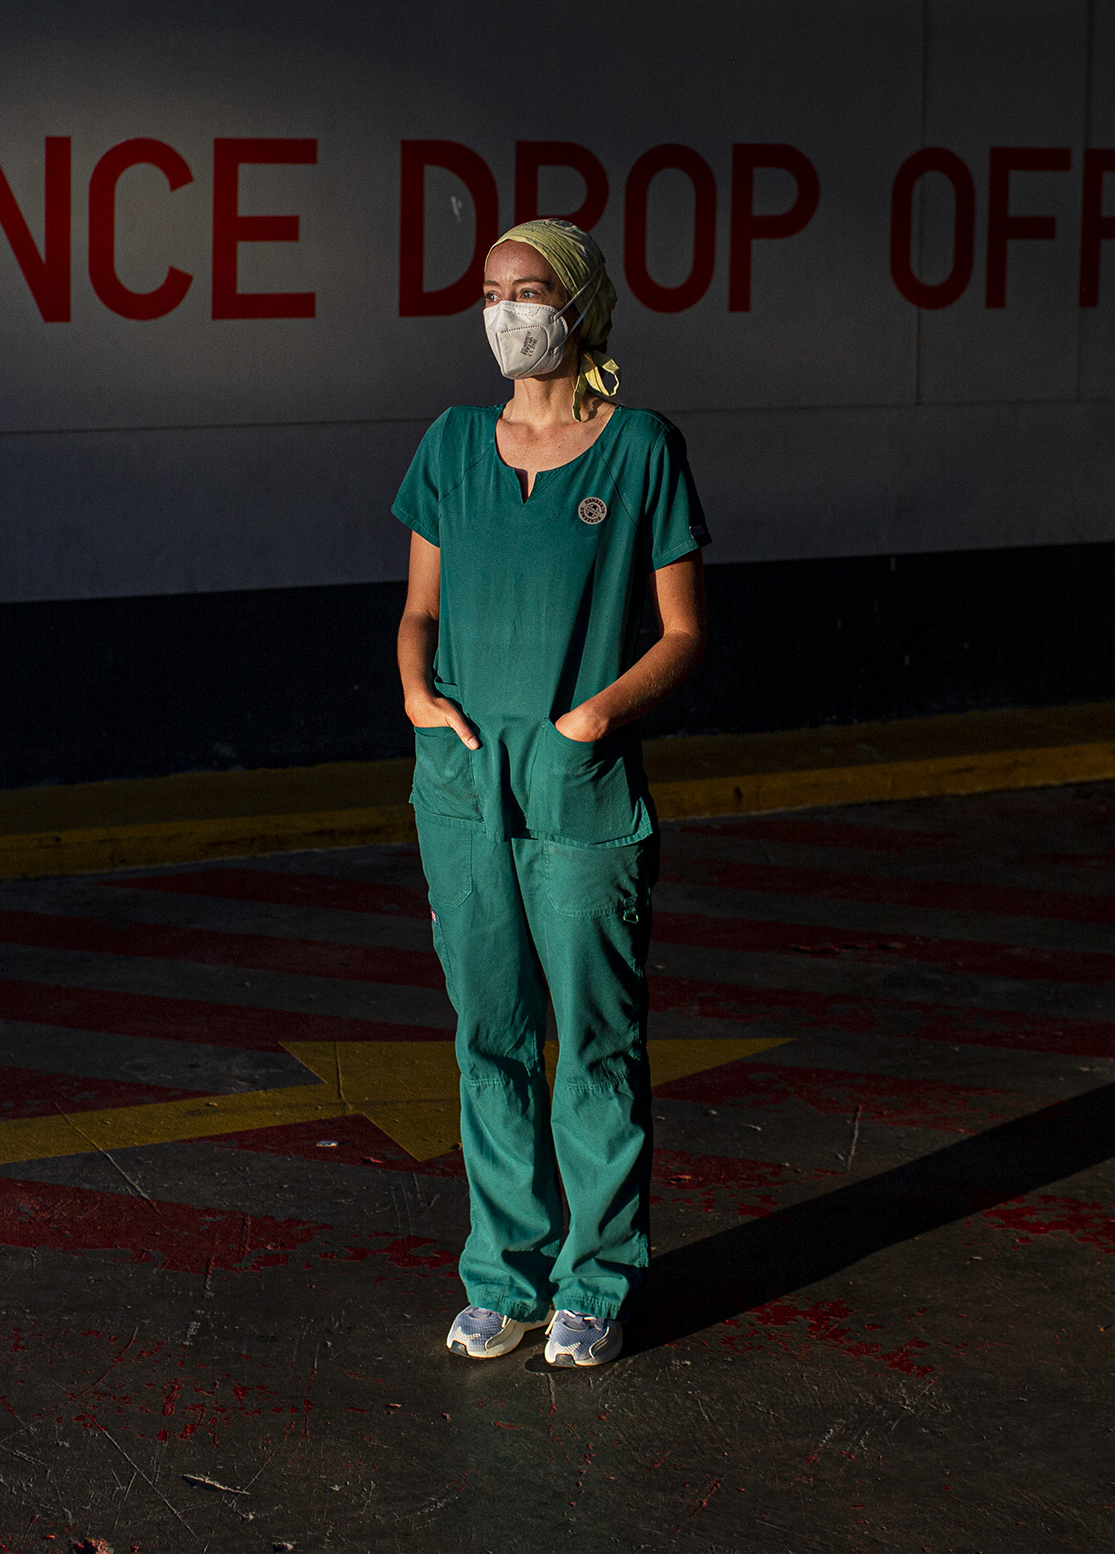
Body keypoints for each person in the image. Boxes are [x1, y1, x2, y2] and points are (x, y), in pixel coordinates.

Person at [391, 216, 709, 1370]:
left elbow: (683, 634)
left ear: (579, 308)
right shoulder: (452, 443)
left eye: (528, 290)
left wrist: (596, 717)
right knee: (490, 1038)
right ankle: (504, 1275)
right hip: (464, 785)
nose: (504, 311)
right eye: (487, 289)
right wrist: (419, 692)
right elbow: (418, 610)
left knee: (599, 1046)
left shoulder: (640, 451)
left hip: (578, 792)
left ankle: (596, 1279)